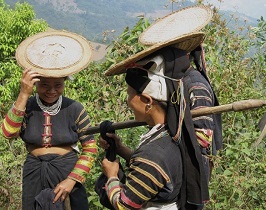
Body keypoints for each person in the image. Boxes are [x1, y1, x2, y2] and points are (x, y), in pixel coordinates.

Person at [97, 5, 222, 210]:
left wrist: (111, 175)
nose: (128, 101)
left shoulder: (195, 85)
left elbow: (124, 205)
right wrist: (121, 150)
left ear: (147, 101)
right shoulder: (173, 138)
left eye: (130, 95)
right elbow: (159, 171)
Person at [1, 31, 97, 210]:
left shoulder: (75, 108)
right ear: (34, 83)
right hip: (34, 172)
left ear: (64, 83)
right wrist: (23, 94)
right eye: (44, 85)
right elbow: (7, 133)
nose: (52, 91)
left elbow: (90, 149)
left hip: (67, 172)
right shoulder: (26, 105)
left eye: (58, 85)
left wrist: (71, 180)